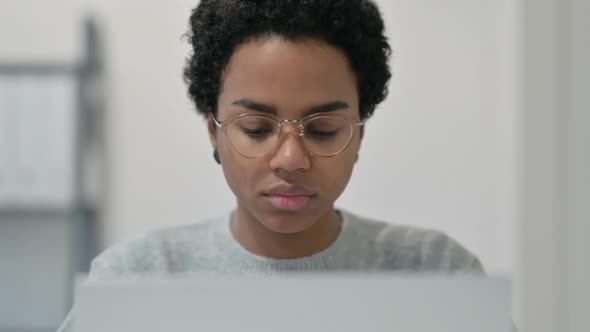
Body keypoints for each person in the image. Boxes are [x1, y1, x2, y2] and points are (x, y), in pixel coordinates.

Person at [56, 0, 483, 331]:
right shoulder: (137, 279)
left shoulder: (434, 273)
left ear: (359, 137)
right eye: (258, 128)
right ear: (214, 132)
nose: (291, 159)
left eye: (323, 130)